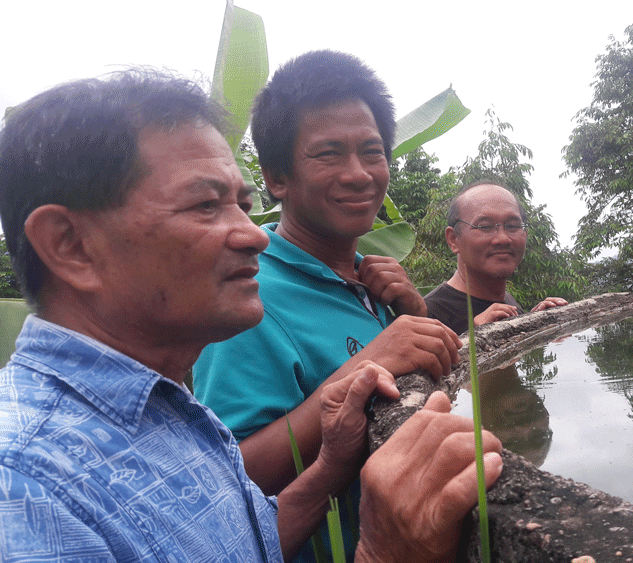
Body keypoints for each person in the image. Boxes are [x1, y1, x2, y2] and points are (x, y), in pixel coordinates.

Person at [0, 70, 502, 563]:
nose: (255, 235)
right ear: (70, 245)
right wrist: (385, 552)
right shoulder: (24, 490)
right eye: (204, 204)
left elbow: (241, 539)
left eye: (242, 204)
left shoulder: (173, 410)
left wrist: (329, 466)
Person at [192, 50, 462, 558]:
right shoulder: (249, 293)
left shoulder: (371, 279)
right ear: (277, 177)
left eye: (372, 150)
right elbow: (231, 476)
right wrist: (370, 360)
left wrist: (412, 318)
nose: (359, 174)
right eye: (328, 154)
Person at [424, 181, 568, 334]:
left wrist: (535, 325)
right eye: (485, 227)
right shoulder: (428, 317)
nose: (503, 239)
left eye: (512, 226)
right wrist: (474, 339)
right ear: (453, 239)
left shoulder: (507, 301)